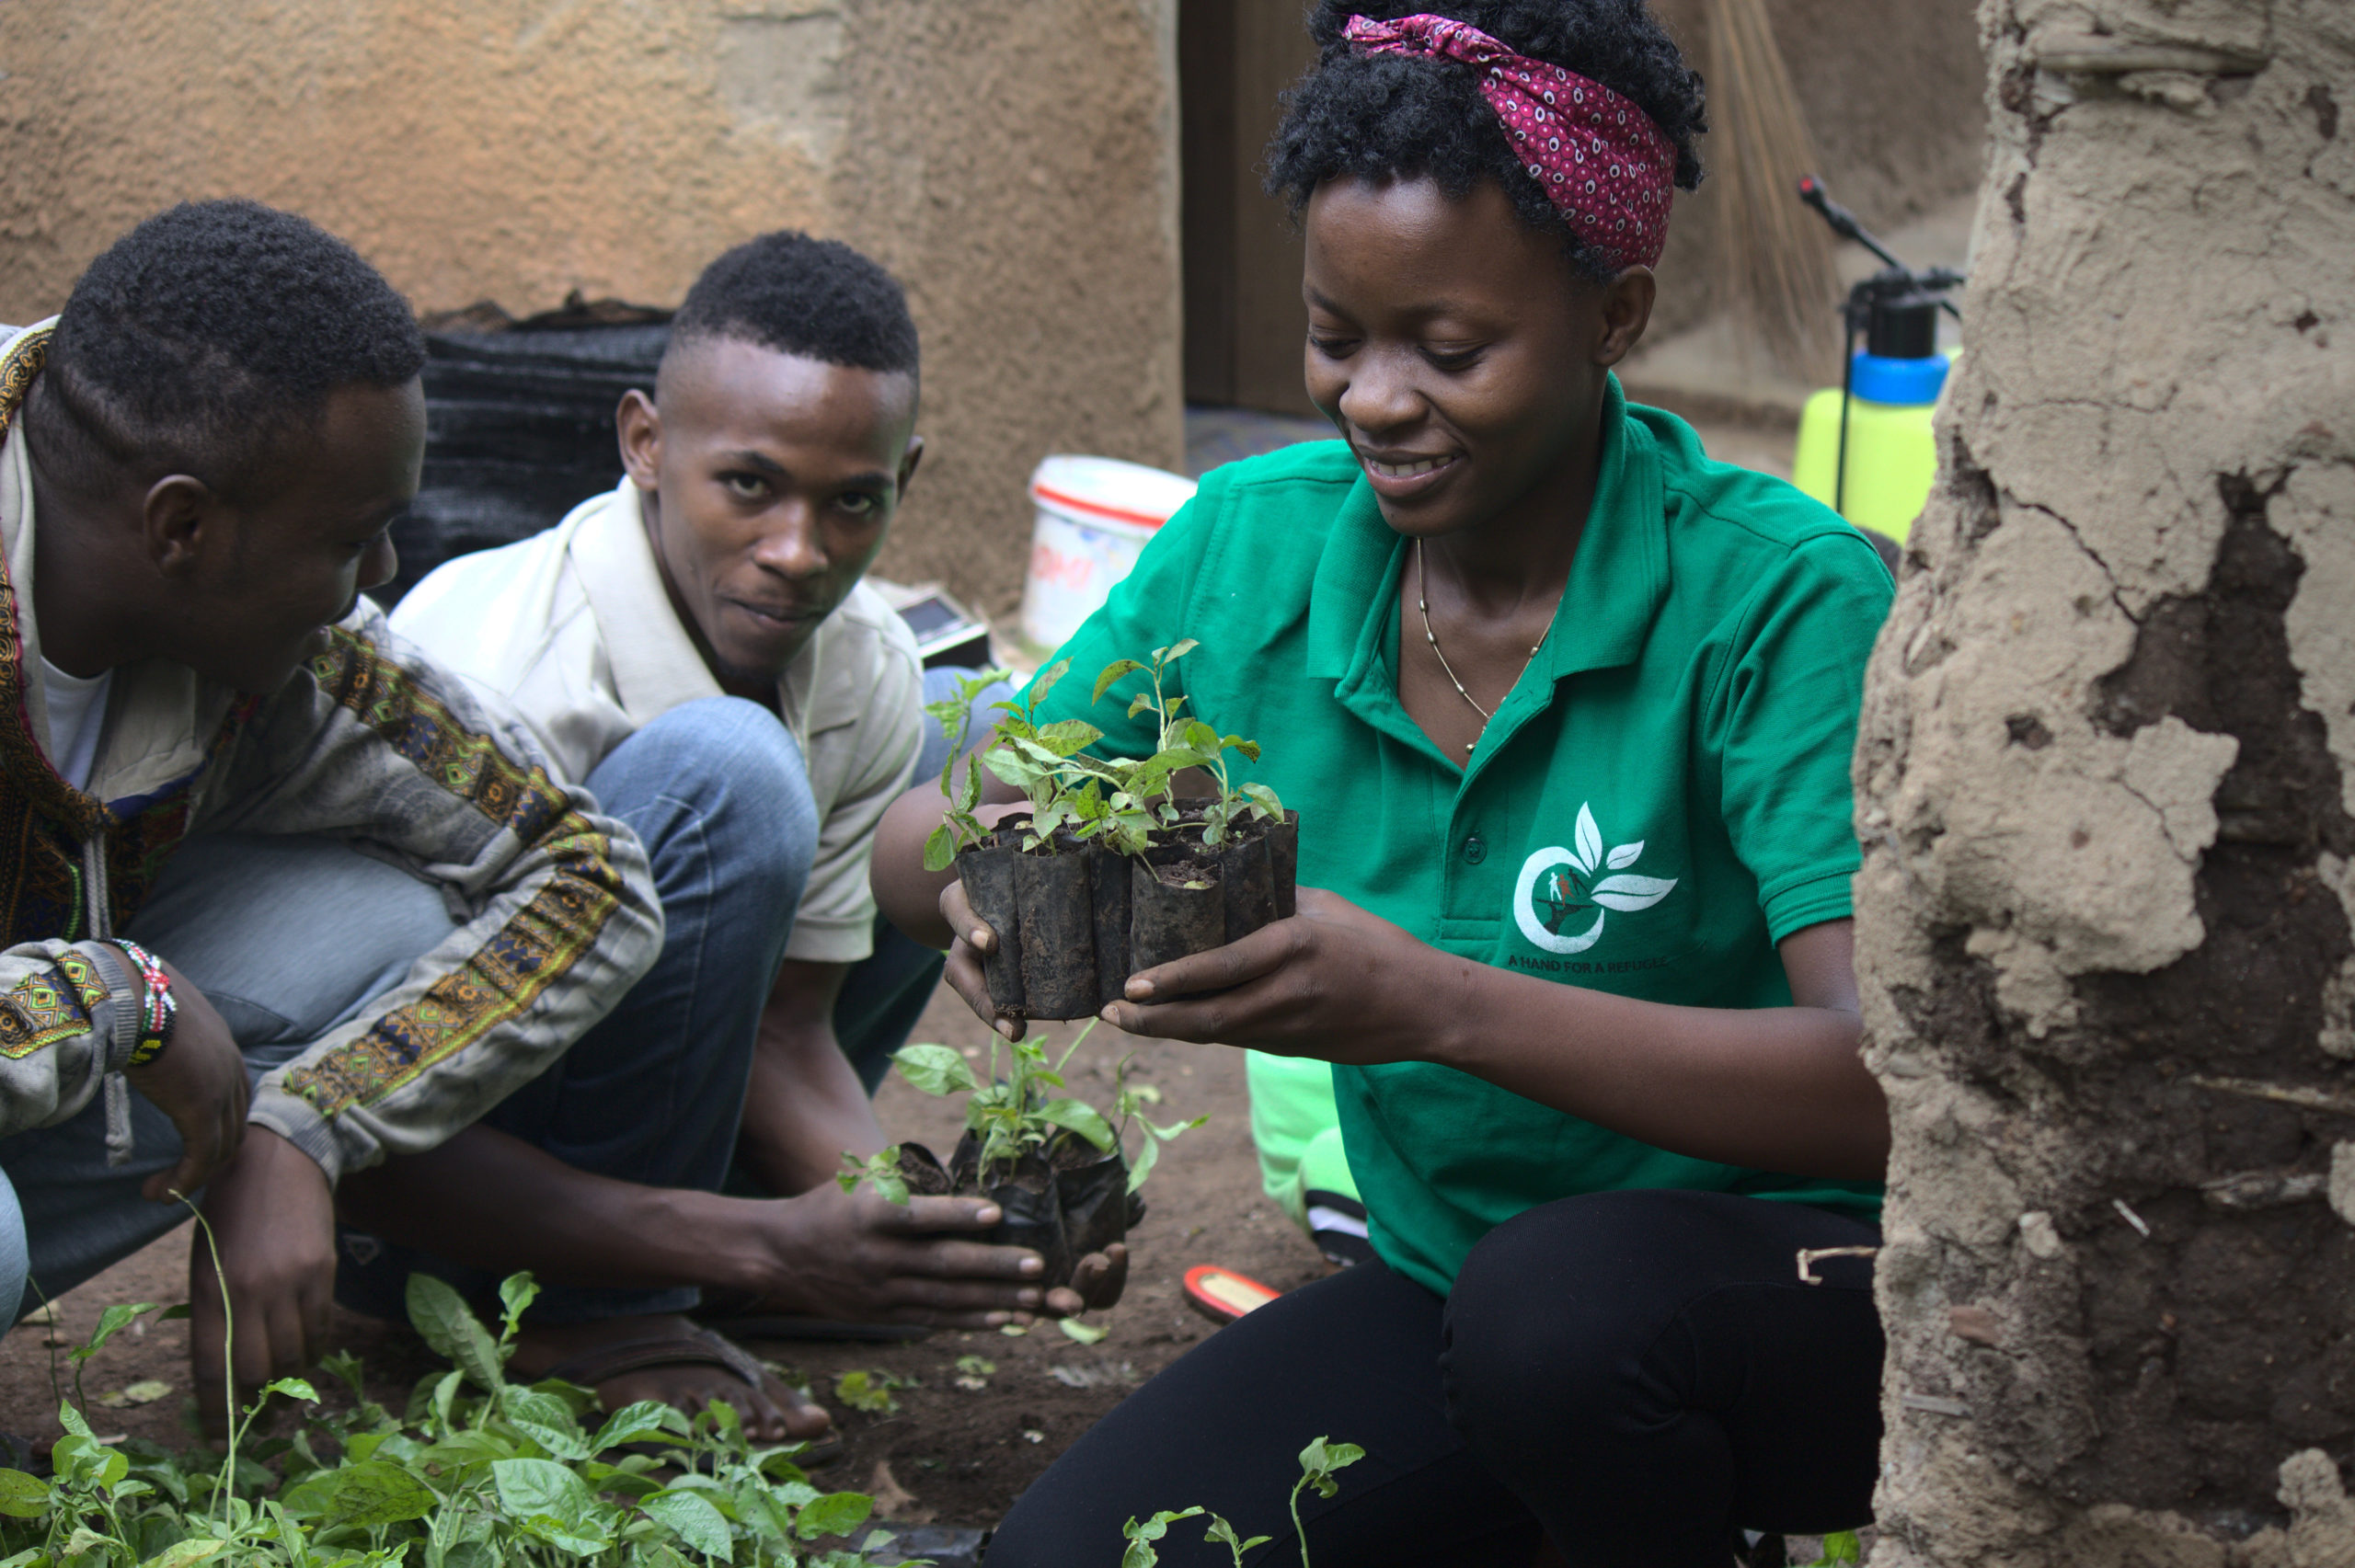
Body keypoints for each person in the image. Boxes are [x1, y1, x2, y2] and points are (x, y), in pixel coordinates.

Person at [873, 4, 1895, 1562]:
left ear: (1613, 317)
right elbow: (911, 837)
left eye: (1450, 349)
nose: (1372, 399)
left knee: (1562, 1320)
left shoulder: (1774, 598)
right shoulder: (1256, 543)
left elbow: (1888, 1083)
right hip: (1449, 1286)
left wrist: (1433, 1004)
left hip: (1789, 1284)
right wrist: (992, 873)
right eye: (1335, 337)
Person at [376, 231, 1120, 1443]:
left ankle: (753, 1249)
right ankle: (604, 1311)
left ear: (906, 476)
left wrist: (932, 1238)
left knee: (961, 728)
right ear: (646, 444)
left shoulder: (859, 656)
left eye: (853, 501)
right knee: (733, 767)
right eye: (750, 485)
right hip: (429, 1199)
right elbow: (373, 1123)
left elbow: (786, 1022)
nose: (799, 552)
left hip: (655, 1146)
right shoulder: (501, 673)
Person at [0, 200, 663, 1433]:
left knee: (381, 915)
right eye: (351, 539)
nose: (385, 575)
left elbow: (582, 871)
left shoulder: (294, 652)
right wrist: (118, 996)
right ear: (182, 526)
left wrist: (302, 1129)